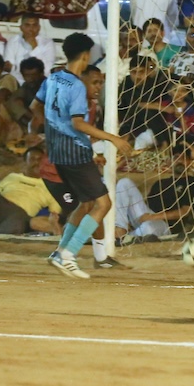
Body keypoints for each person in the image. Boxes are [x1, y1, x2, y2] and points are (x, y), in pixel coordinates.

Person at [32, 33, 133, 278]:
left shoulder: (53, 77)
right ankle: (69, 255)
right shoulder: (77, 85)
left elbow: (34, 107)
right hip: (75, 152)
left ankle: (60, 251)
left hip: (56, 152)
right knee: (104, 204)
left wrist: (52, 128)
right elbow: (77, 123)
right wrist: (113, 138)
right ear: (86, 56)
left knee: (85, 204)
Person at [0, 146, 63, 242]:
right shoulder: (12, 177)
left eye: (40, 160)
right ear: (25, 163)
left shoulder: (50, 186)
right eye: (32, 159)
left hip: (19, 215)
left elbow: (54, 216)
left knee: (16, 224)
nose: (37, 163)